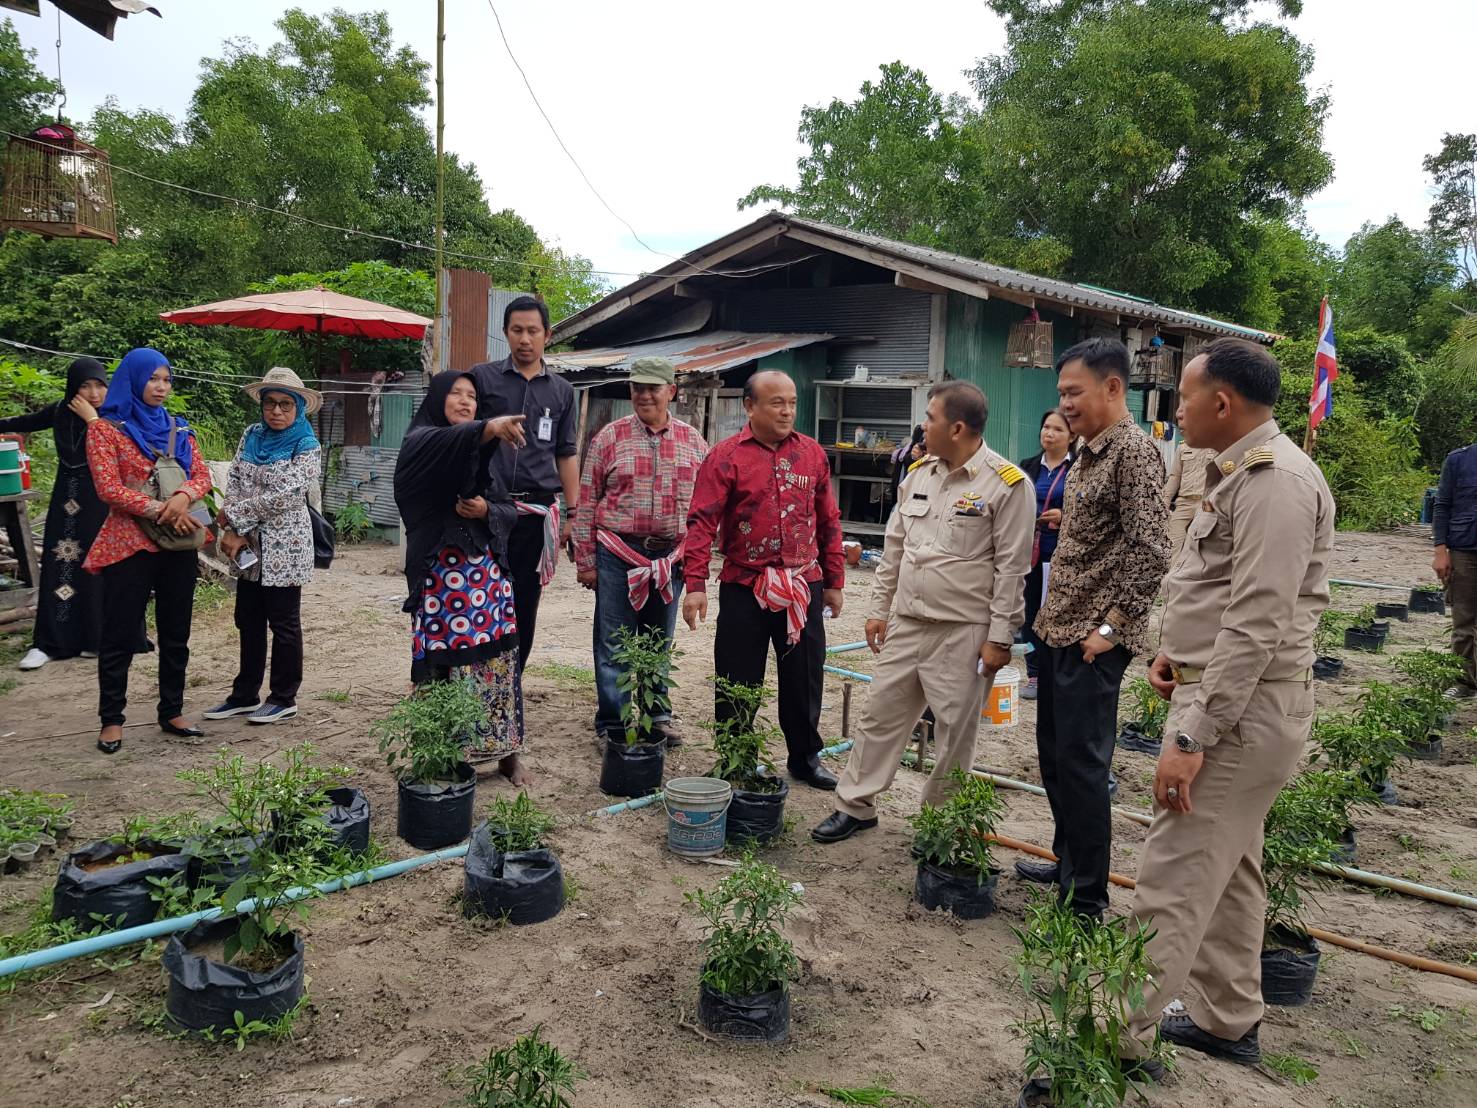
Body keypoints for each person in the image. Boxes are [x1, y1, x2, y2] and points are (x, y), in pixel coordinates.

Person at [1124, 337, 1333, 1073]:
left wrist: (1194, 731)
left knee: (1174, 876)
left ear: (1220, 403)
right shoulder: (1237, 474)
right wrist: (1173, 655)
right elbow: (1214, 589)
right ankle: (1226, 1017)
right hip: (1227, 696)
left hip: (1237, 717)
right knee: (1233, 867)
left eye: (1182, 397)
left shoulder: (1274, 482)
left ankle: (1112, 1037)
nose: (1174, 409)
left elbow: (1257, 619)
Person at [812, 382, 1035, 842]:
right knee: (880, 716)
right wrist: (879, 611)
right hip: (908, 623)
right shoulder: (918, 474)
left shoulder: (1007, 484)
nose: (922, 426)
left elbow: (1013, 570)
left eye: (930, 417)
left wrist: (999, 638)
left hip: (964, 631)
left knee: (954, 735)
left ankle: (939, 824)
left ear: (956, 427)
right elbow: (894, 549)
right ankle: (856, 805)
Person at [1019, 337, 1171, 921]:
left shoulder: (1133, 451)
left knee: (1084, 766)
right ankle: (1066, 863)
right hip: (1060, 627)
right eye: (1061, 394)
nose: (1066, 404)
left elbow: (1152, 549)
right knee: (1055, 758)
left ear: (1112, 388)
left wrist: (1113, 626)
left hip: (1092, 640)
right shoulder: (1089, 452)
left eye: (1073, 392)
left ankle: (1087, 897)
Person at [681, 370, 845, 789]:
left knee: (805, 675)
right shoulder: (725, 457)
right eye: (776, 402)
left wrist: (834, 580)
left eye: (791, 402)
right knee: (738, 675)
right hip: (744, 585)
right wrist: (695, 585)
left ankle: (805, 757)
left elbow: (828, 520)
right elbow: (701, 523)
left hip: (802, 584)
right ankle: (737, 757)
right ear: (750, 407)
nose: (787, 410)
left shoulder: (812, 455)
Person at [393, 371, 530, 782]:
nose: (465, 400)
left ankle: (507, 752)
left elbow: (509, 509)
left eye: (472, 396)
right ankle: (440, 756)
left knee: (499, 662)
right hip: (441, 585)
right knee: (441, 667)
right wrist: (487, 427)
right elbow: (442, 444)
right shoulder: (419, 444)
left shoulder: (486, 456)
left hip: (487, 582)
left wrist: (487, 511)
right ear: (437, 398)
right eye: (456, 393)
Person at [77, 348, 213, 755]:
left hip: (179, 545)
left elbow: (202, 475)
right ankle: (112, 720)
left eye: (167, 379)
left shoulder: (179, 429)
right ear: (134, 379)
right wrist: (163, 509)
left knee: (177, 632)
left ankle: (171, 710)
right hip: (129, 542)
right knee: (120, 633)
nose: (161, 387)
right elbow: (108, 489)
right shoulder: (106, 430)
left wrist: (185, 494)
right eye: (153, 378)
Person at [573, 356, 708, 745]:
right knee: (615, 639)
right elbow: (586, 501)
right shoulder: (608, 438)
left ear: (672, 391)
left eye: (653, 387)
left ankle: (656, 717)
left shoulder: (694, 441)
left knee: (657, 640)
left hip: (670, 559)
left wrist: (697, 561)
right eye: (638, 387)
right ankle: (613, 724)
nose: (645, 395)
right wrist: (586, 562)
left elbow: (705, 509)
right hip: (617, 553)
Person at [1, 358, 146, 669]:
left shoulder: (117, 415)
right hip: (66, 503)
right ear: (73, 388)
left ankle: (101, 638)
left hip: (106, 502)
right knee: (62, 564)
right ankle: (51, 642)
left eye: (99, 385)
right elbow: (21, 422)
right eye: (85, 386)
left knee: (107, 565)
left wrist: (94, 419)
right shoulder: (59, 411)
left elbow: (127, 452)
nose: (94, 393)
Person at [203, 368, 323, 726]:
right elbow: (237, 478)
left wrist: (233, 522)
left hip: (285, 544)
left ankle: (283, 697)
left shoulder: (306, 445)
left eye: (286, 404)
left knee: (284, 622)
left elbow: (283, 496)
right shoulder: (251, 435)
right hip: (248, 546)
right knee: (248, 619)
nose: (276, 411)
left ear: (299, 407)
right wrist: (236, 527)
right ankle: (244, 694)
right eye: (270, 403)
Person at [469, 296, 579, 672]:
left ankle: (511, 679)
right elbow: (461, 434)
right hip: (485, 511)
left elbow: (566, 453)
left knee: (524, 601)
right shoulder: (482, 379)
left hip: (535, 515)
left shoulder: (563, 392)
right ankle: (478, 679)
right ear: (505, 333)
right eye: (517, 330)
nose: (525, 339)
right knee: (481, 595)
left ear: (547, 335)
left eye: (533, 331)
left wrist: (572, 514)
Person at [1017, 409, 1074, 701]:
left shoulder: (1078, 468)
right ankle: (1034, 674)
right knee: (1028, 613)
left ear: (1071, 436)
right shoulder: (1026, 466)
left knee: (1056, 613)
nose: (1049, 434)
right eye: (1046, 427)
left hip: (1062, 554)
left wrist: (1066, 515)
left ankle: (1056, 673)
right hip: (1030, 551)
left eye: (1057, 429)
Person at [1432, 438, 1477, 699]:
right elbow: (1442, 505)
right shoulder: (1459, 459)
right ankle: (1464, 683)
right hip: (1464, 551)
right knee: (1464, 621)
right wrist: (1440, 550)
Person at [1163, 442, 1218, 554]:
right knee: (1172, 545)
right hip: (1184, 503)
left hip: (1206, 503)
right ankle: (1172, 571)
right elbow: (1175, 477)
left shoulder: (1217, 445)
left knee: (1202, 547)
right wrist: (1164, 502)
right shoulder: (1183, 447)